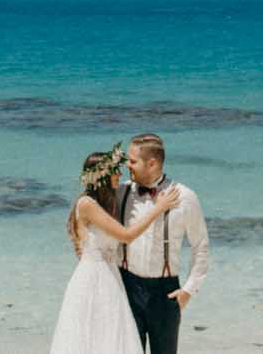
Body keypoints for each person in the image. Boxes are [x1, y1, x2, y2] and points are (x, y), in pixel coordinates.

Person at [48, 144, 185, 354]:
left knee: (111, 337)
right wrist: (159, 208)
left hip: (112, 277)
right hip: (95, 278)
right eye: (115, 171)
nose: (120, 174)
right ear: (101, 176)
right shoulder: (87, 204)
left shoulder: (106, 204)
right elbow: (126, 235)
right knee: (93, 337)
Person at [114, 133, 209, 353]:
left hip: (165, 292)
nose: (127, 165)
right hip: (127, 287)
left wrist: (188, 290)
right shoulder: (122, 192)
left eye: (133, 161)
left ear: (152, 163)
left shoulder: (185, 197)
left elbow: (200, 247)